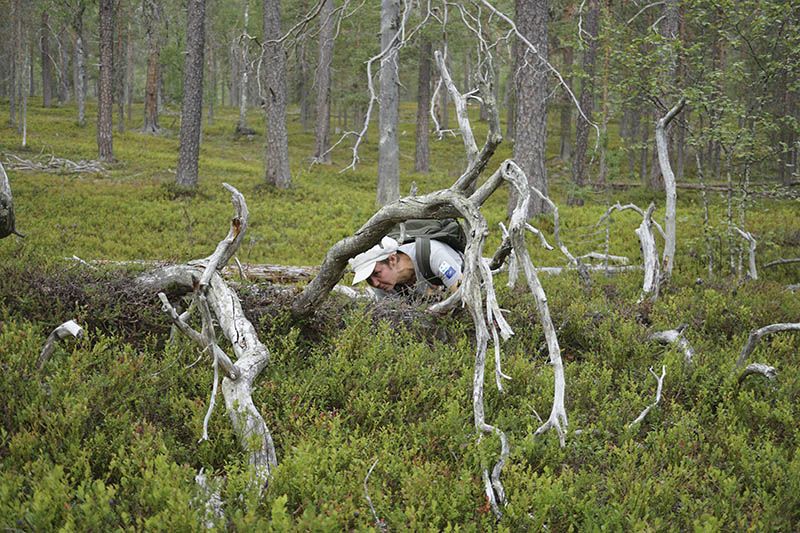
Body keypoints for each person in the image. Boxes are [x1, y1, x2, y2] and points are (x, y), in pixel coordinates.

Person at [349, 236, 463, 299]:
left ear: (392, 259)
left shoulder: (433, 255)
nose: (375, 283)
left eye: (377, 273)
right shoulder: (384, 286)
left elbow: (464, 297)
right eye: (368, 279)